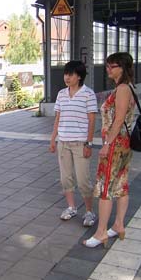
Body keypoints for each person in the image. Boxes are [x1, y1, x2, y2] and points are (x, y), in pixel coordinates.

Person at [83, 52, 135, 248]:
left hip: (115, 144)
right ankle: (119, 225)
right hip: (124, 144)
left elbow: (119, 119)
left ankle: (101, 232)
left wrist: (106, 144)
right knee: (121, 184)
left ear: (122, 68)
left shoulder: (122, 89)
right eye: (107, 66)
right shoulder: (128, 87)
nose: (108, 70)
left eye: (111, 66)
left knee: (105, 187)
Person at [49, 60, 98, 227]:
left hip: (80, 143)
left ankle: (90, 211)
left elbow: (92, 121)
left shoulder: (88, 94)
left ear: (79, 76)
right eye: (66, 74)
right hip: (63, 142)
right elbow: (58, 117)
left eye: (70, 74)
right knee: (65, 178)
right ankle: (71, 207)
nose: (67, 77)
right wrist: (53, 138)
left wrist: (88, 143)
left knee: (84, 180)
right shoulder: (61, 94)